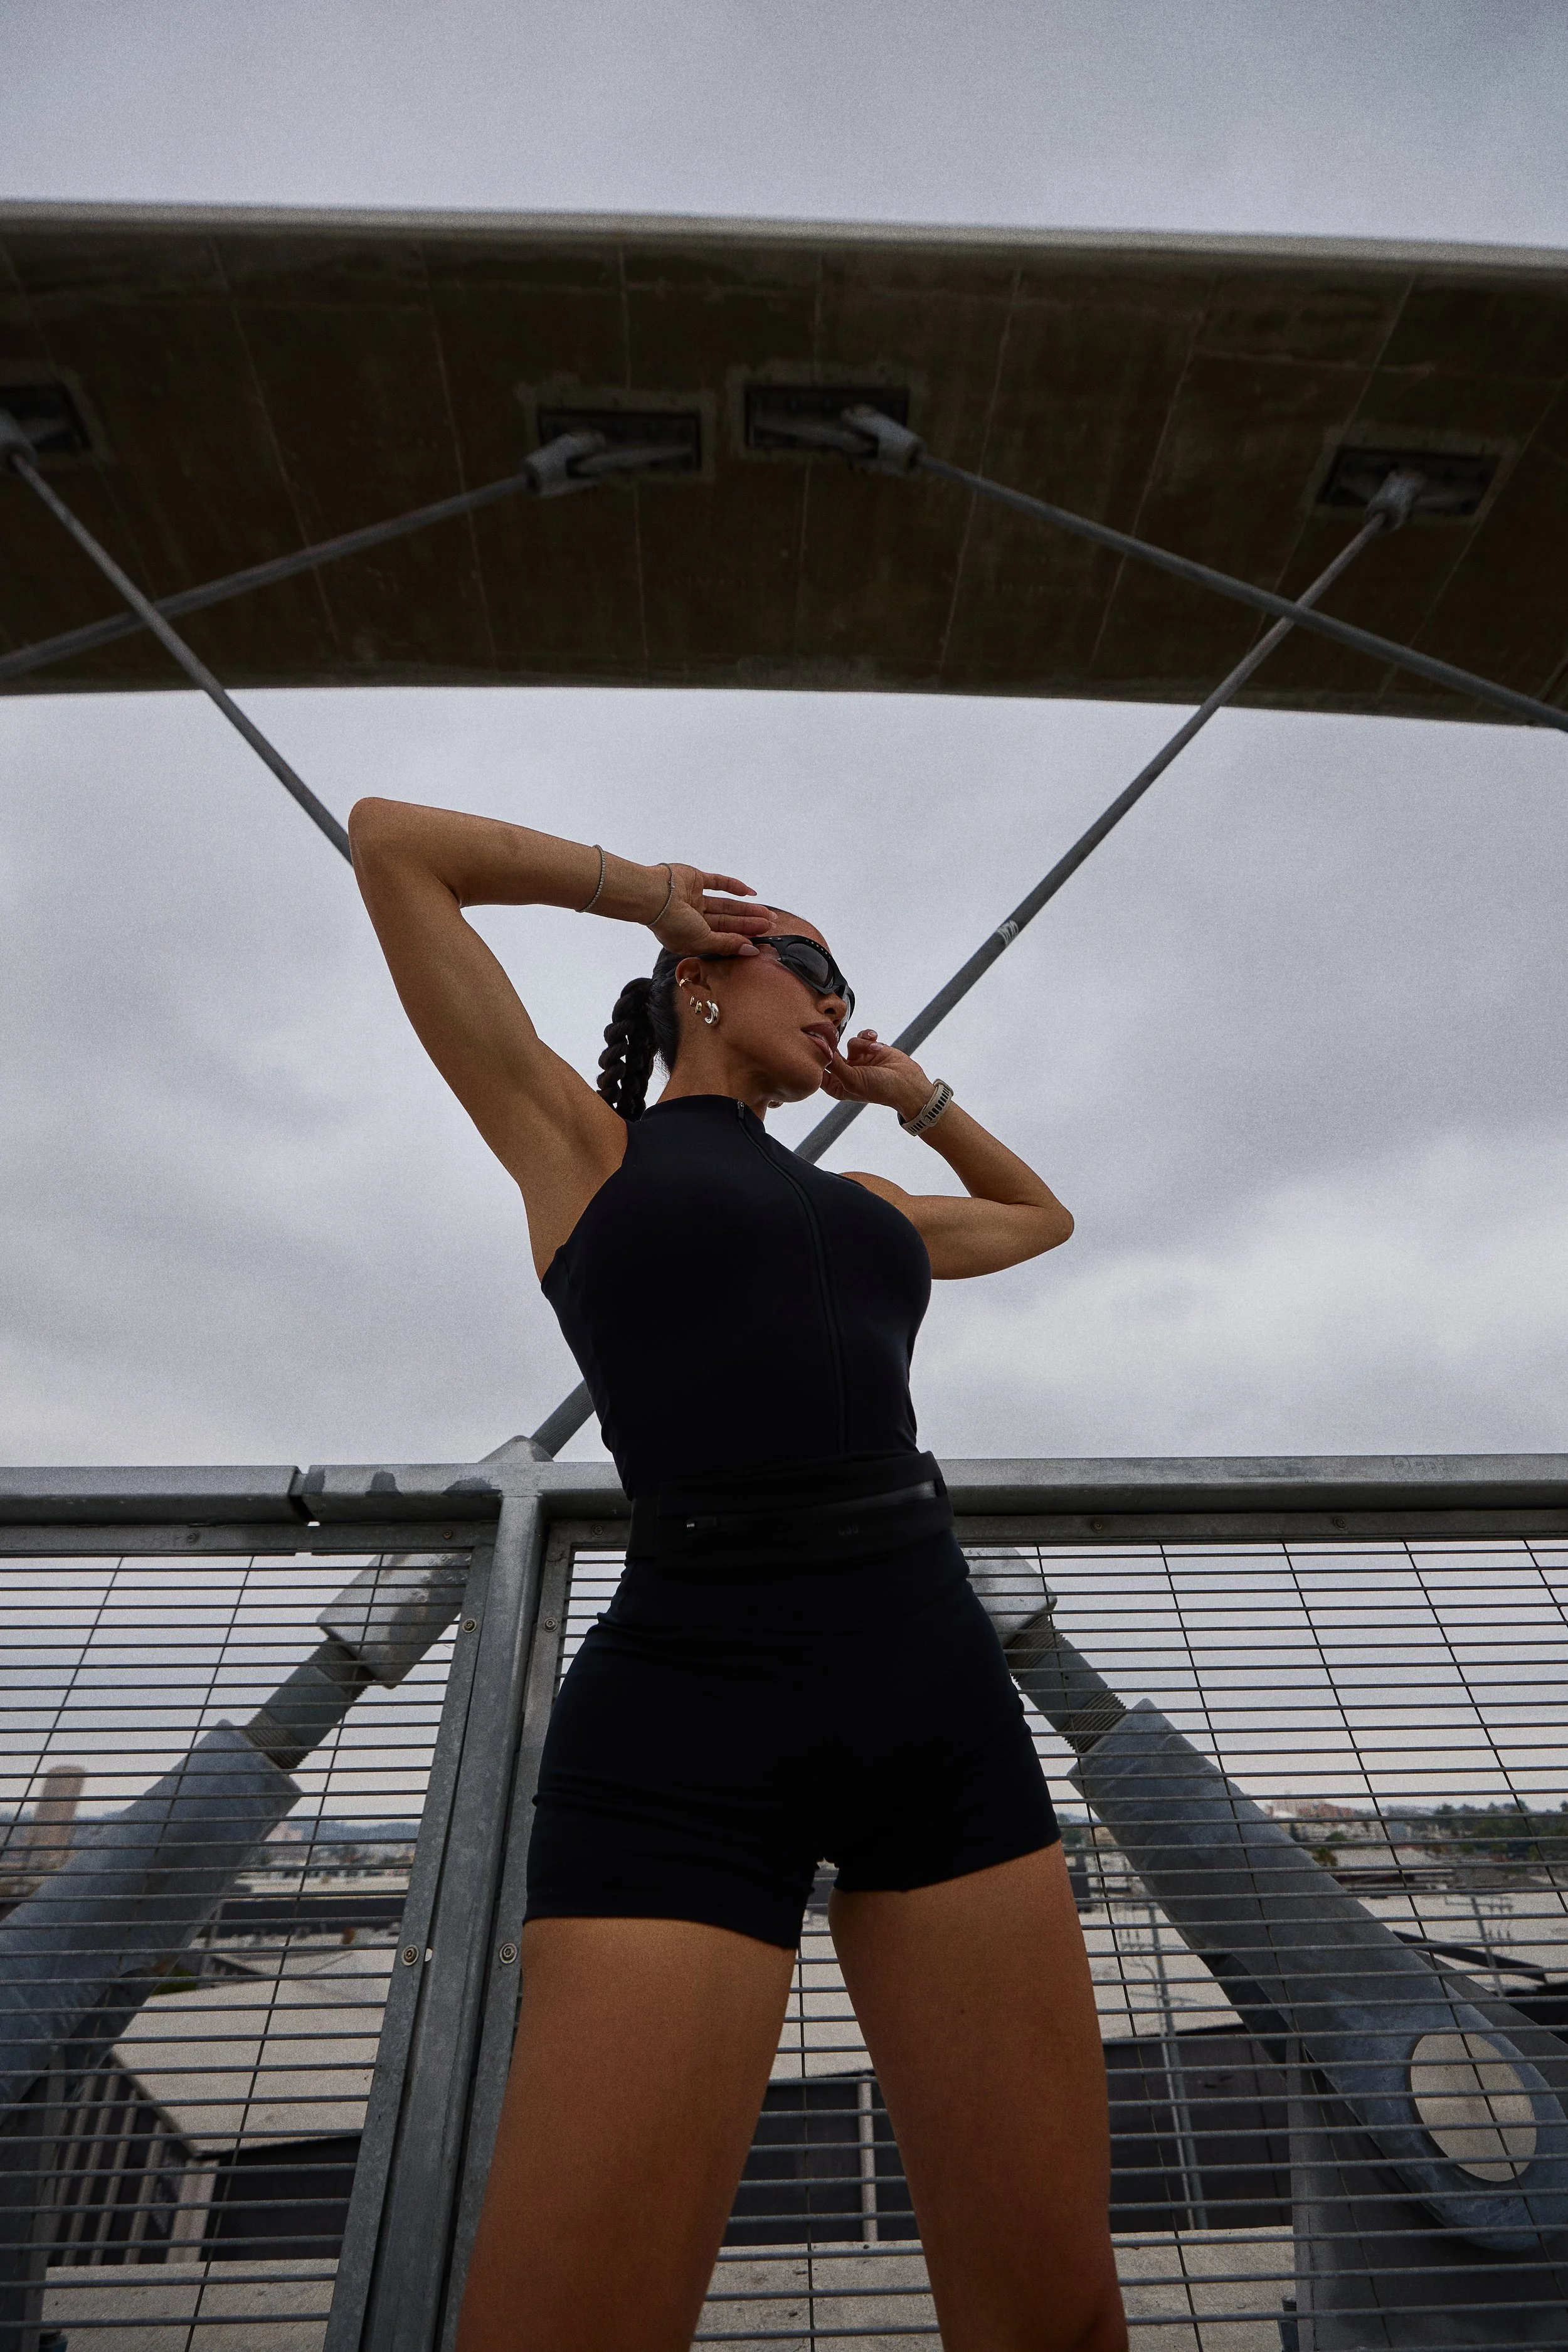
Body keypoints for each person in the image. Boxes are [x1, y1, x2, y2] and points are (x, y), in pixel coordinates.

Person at [349, 800, 1126, 2352]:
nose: (835, 997)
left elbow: (1040, 1219)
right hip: (688, 1721)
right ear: (704, 977)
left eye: (845, 979)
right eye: (807, 965)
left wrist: (917, 1097)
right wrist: (644, 894)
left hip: (934, 1698)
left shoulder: (866, 1206)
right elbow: (391, 846)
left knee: (1057, 2320)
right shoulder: (580, 1150)